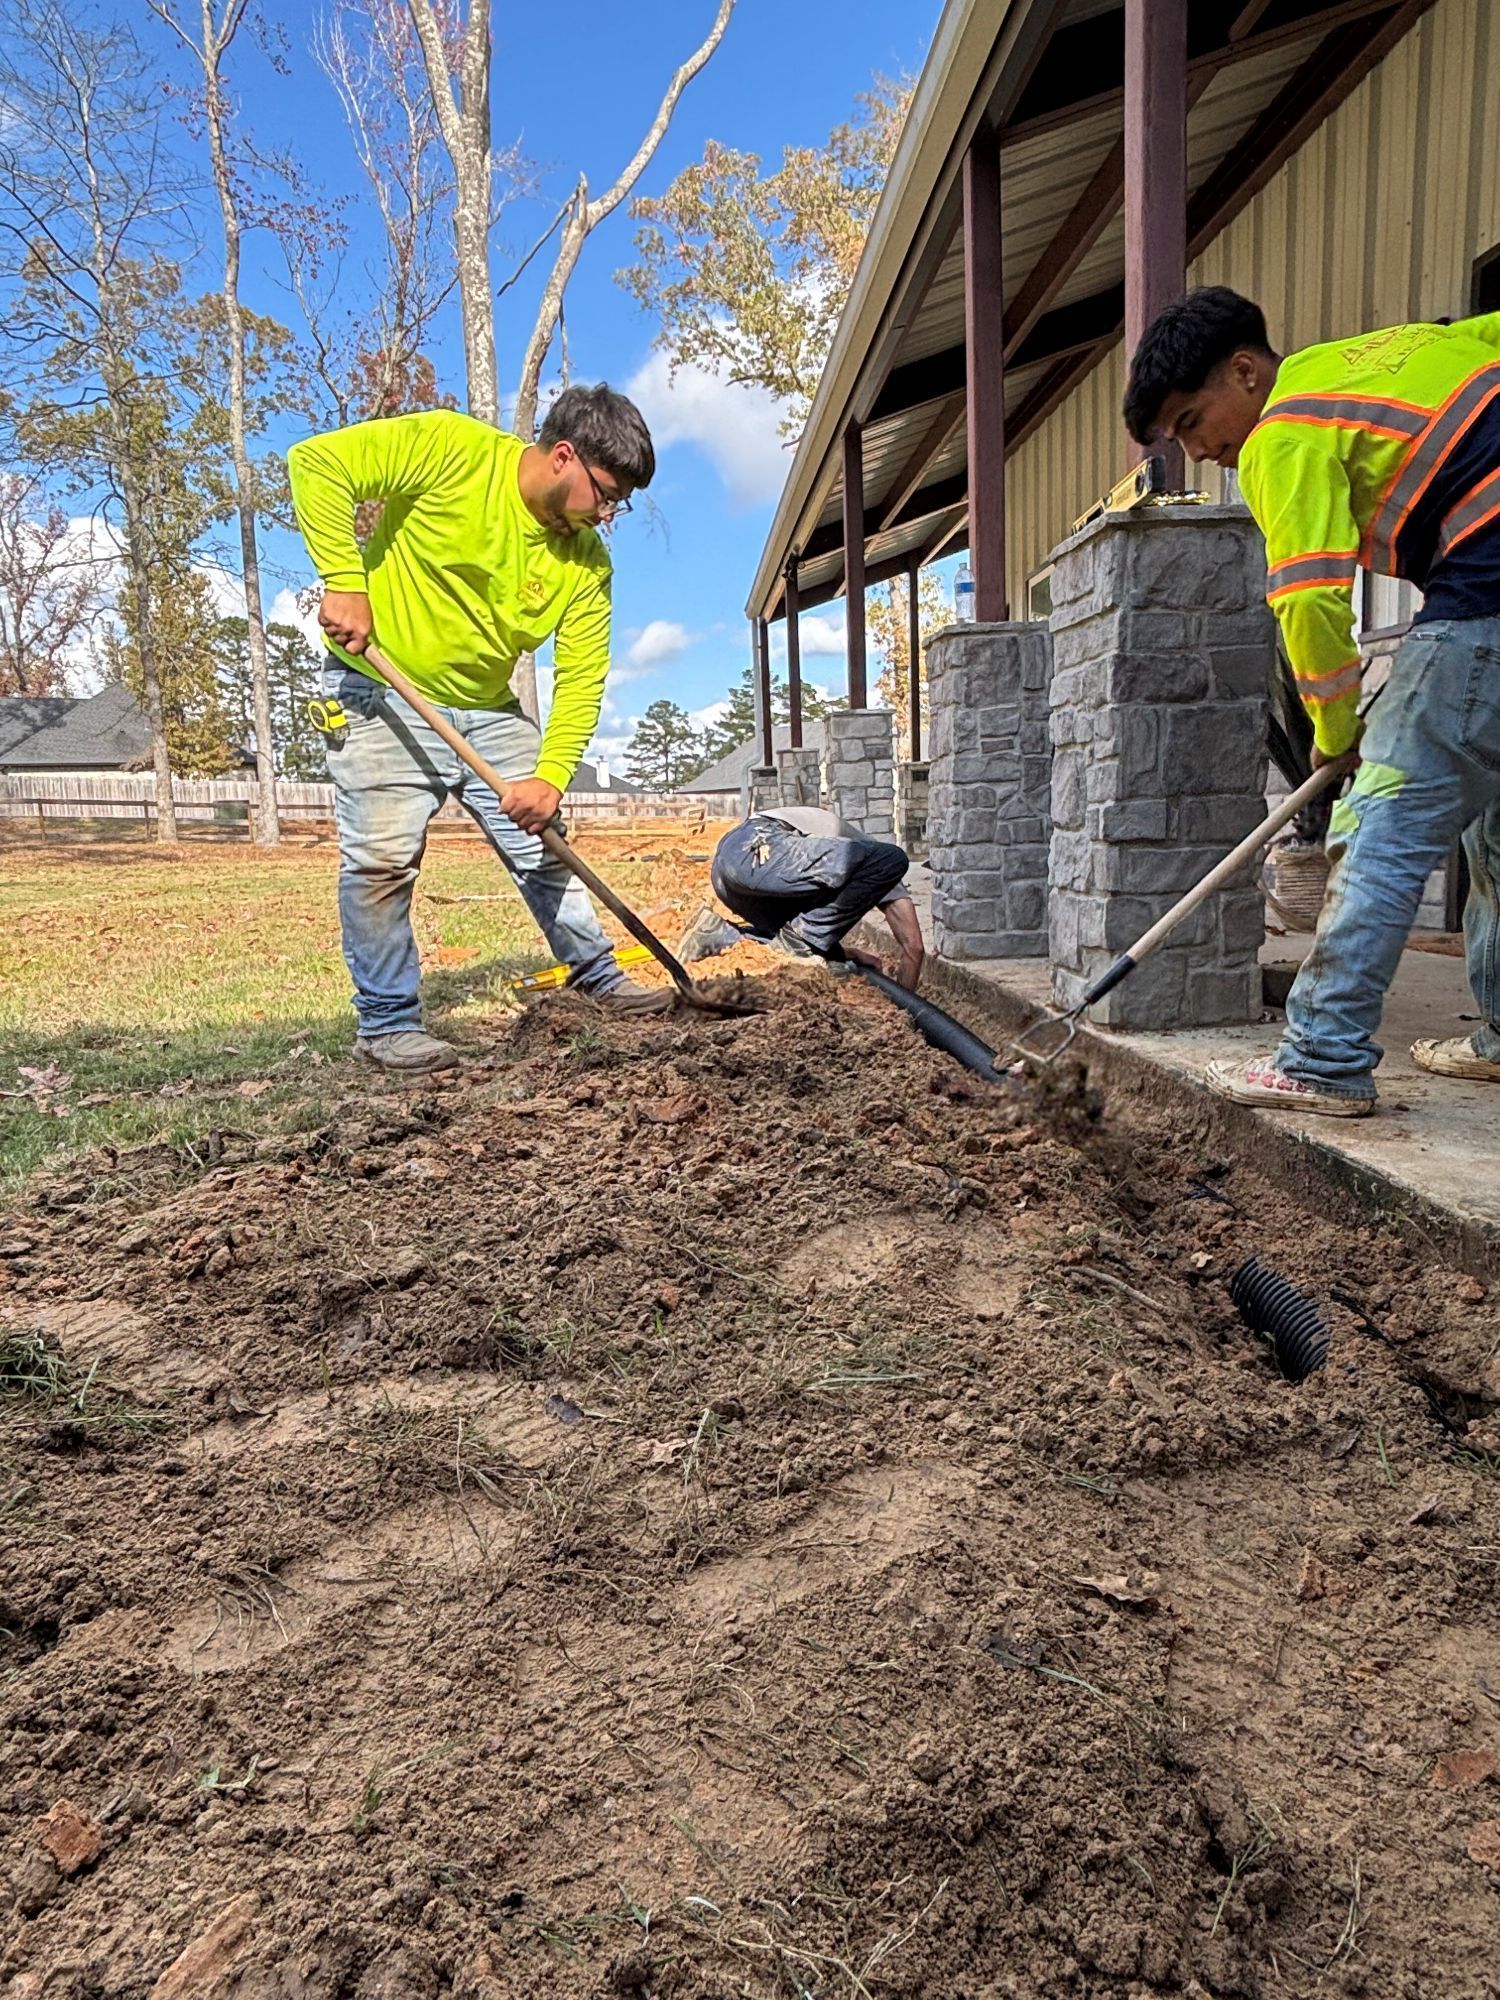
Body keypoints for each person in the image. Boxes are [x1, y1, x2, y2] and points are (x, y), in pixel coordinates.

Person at [1122, 287, 1500, 1117]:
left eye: (1192, 421)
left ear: (1246, 371)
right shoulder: (1374, 355)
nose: (1199, 448)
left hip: (1486, 579)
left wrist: (1335, 736)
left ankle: (1322, 1059)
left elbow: (1310, 599)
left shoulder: (1280, 431)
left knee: (1381, 824)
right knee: (1493, 828)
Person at [286, 384, 669, 1074]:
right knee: (381, 861)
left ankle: (596, 975)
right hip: (382, 686)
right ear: (562, 457)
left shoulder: (586, 564)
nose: (608, 515)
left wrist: (550, 777)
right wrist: (345, 579)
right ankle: (387, 1026)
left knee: (545, 846)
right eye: (606, 495)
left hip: (489, 709)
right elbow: (317, 463)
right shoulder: (451, 450)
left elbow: (581, 674)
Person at [679, 804, 926, 991]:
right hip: (761, 847)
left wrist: (841, 954)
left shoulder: (829, 864)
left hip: (730, 873)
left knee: (787, 940)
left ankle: (720, 936)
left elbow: (811, 922)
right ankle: (803, 944)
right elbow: (914, 947)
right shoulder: (875, 864)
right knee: (894, 858)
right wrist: (907, 1005)